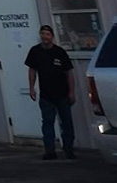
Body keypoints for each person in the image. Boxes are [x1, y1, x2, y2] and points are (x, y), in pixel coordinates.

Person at [25, 24, 75, 160]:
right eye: (42, 34)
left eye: (47, 34)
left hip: (62, 94)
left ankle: (69, 150)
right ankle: (50, 151)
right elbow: (32, 71)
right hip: (46, 95)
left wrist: (71, 92)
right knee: (47, 122)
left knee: (66, 123)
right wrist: (31, 88)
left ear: (52, 36)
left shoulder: (59, 52)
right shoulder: (35, 51)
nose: (44, 37)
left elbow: (68, 73)